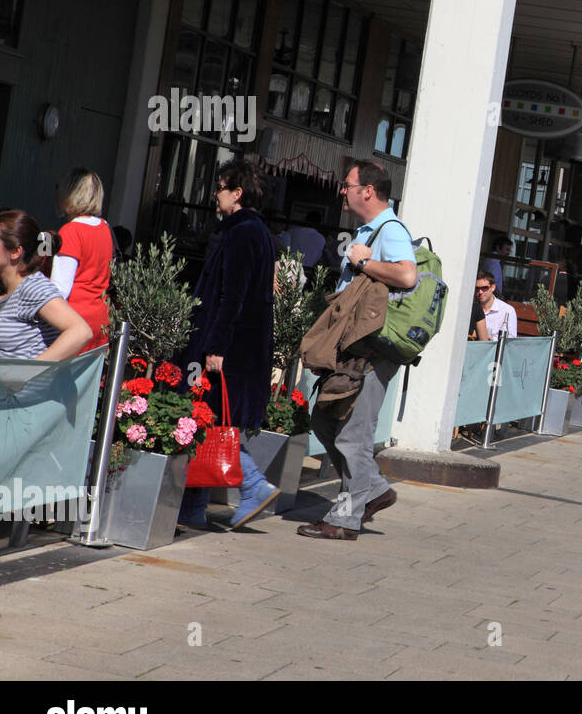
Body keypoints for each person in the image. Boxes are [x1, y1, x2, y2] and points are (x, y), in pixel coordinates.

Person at [300, 161, 416, 541]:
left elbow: (407, 275)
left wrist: (364, 260)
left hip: (371, 353)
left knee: (351, 436)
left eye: (347, 185)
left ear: (368, 190)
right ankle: (375, 490)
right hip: (354, 349)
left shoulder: (391, 230)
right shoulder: (370, 230)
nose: (342, 192)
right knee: (324, 423)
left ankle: (344, 520)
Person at [176, 160, 280, 531]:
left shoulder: (243, 233)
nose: (215, 194)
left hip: (230, 346)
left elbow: (231, 296)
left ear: (237, 193)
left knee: (212, 419)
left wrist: (216, 346)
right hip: (242, 344)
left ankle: (252, 483)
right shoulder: (253, 232)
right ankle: (192, 509)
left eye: (220, 187)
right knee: (209, 417)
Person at [0, 210, 92, 359]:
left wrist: (32, 371)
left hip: (27, 382)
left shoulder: (32, 287)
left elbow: (80, 331)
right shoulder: (2, 288)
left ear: (15, 252)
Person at [49, 168, 114, 353]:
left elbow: (59, 290)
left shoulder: (71, 232)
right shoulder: (104, 227)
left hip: (73, 324)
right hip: (99, 320)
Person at [476, 270, 518, 340]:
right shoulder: (472, 308)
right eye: (477, 288)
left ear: (493, 288)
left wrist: (491, 339)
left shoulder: (507, 311)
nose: (480, 292)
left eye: (484, 288)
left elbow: (510, 341)